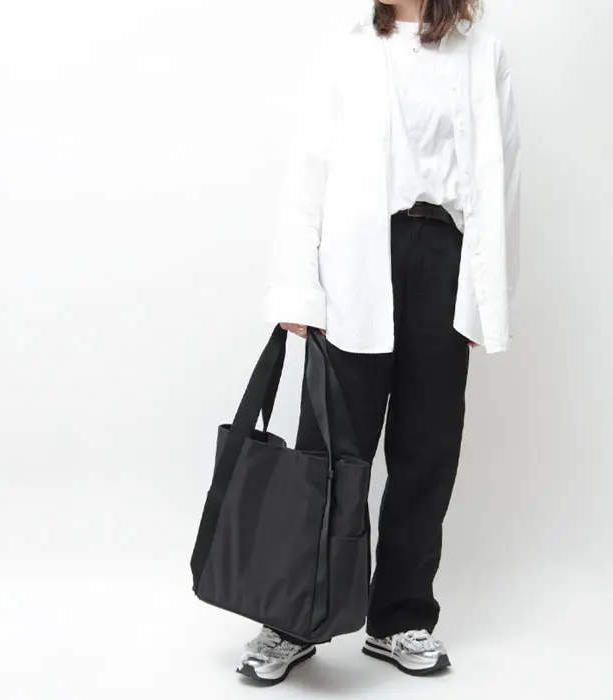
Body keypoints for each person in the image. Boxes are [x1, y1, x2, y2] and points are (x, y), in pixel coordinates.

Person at [236, 0, 521, 686]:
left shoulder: (483, 52)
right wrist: (297, 288)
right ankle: (293, 619)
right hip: (358, 259)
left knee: (427, 449)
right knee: (331, 449)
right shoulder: (347, 50)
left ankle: (399, 619)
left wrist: (486, 296)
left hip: (444, 258)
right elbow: (308, 170)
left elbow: (503, 173)